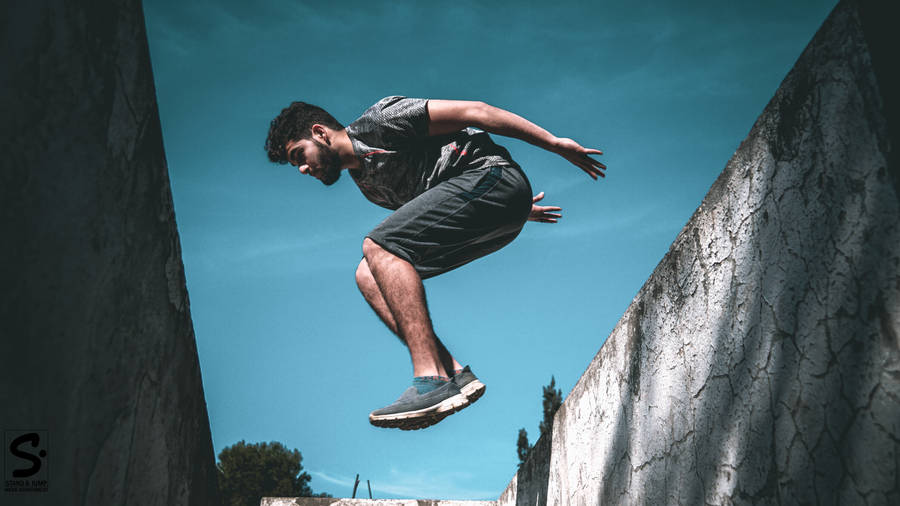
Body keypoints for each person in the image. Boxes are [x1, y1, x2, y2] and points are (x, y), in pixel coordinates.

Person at [264, 96, 605, 430]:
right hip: (494, 212)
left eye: (300, 156)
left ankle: (430, 378)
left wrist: (553, 144)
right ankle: (453, 375)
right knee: (367, 273)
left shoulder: (379, 122)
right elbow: (435, 212)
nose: (304, 169)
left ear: (320, 133)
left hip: (492, 177)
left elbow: (476, 111)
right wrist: (511, 211)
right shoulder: (369, 186)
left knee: (378, 246)